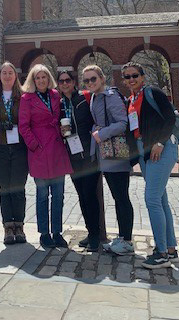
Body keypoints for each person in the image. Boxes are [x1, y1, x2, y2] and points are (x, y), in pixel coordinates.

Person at [122, 62, 179, 269]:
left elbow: (170, 117)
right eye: (127, 77)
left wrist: (160, 142)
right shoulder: (131, 99)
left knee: (152, 199)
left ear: (143, 76)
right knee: (161, 200)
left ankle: (161, 252)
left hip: (160, 149)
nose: (131, 79)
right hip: (146, 152)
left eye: (135, 75)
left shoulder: (152, 92)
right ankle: (171, 249)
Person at [19, 64, 72, 249]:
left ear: (49, 78)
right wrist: (34, 145)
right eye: (38, 78)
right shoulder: (27, 99)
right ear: (33, 81)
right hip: (39, 150)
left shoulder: (56, 95)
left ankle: (57, 232)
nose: (41, 81)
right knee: (42, 195)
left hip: (56, 148)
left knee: (58, 195)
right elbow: (23, 126)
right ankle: (44, 233)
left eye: (44, 77)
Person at [84, 64, 134, 256]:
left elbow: (122, 123)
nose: (90, 83)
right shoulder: (95, 97)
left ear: (102, 79)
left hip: (115, 153)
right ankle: (122, 238)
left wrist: (101, 134)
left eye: (93, 79)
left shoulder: (110, 97)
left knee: (121, 197)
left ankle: (127, 240)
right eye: (87, 80)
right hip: (105, 152)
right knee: (117, 196)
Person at [58, 69, 101, 252]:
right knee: (82, 196)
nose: (65, 84)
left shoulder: (85, 98)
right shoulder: (61, 104)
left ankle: (95, 236)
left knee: (90, 196)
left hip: (89, 156)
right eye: (61, 82)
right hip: (73, 156)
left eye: (68, 80)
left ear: (74, 82)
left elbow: (97, 120)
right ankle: (90, 232)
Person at [0, 61, 28, 245]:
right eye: (4, 73)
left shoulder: (24, 97)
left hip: (19, 148)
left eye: (10, 73)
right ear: (0, 77)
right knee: (5, 188)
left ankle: (19, 226)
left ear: (15, 76)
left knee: (18, 188)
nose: (7, 76)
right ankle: (8, 227)